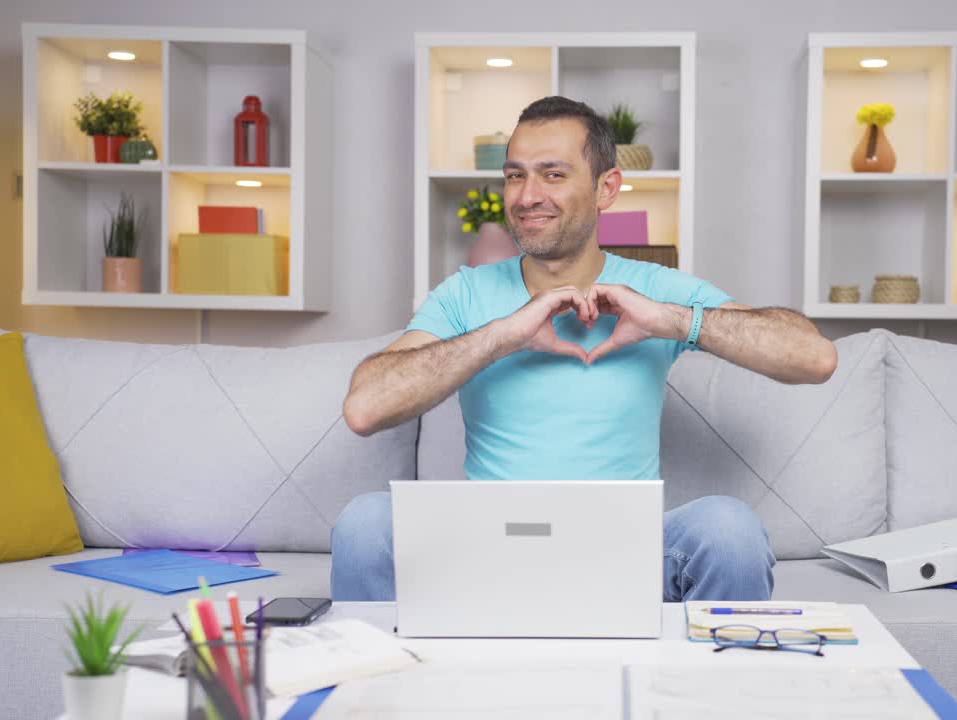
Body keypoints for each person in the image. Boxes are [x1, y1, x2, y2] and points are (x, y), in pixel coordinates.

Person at [332, 96, 837, 602]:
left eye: (553, 175)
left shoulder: (653, 288)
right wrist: (505, 334)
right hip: (490, 553)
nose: (527, 195)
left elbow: (814, 358)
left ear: (606, 188)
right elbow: (363, 407)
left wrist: (669, 319)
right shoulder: (466, 293)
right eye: (515, 176)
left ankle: (711, 683)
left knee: (729, 528)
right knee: (363, 523)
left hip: (626, 553)